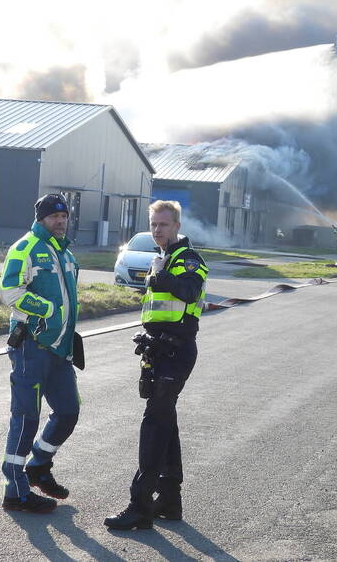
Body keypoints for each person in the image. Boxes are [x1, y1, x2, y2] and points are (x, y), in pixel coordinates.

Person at [105, 200, 209, 530]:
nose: (157, 230)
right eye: (153, 224)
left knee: (154, 425)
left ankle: (140, 505)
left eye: (163, 225)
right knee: (166, 421)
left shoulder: (188, 259)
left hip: (177, 351)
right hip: (158, 349)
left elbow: (190, 292)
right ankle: (168, 499)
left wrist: (163, 278)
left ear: (177, 226)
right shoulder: (159, 259)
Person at [0, 193, 82, 514]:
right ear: (41, 218)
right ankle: (15, 490)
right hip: (30, 348)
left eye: (64, 216)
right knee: (26, 418)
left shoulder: (65, 252)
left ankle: (38, 466)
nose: (60, 221)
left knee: (68, 412)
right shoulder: (25, 248)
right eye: (54, 217)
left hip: (60, 348)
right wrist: (46, 311)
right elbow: (10, 291)